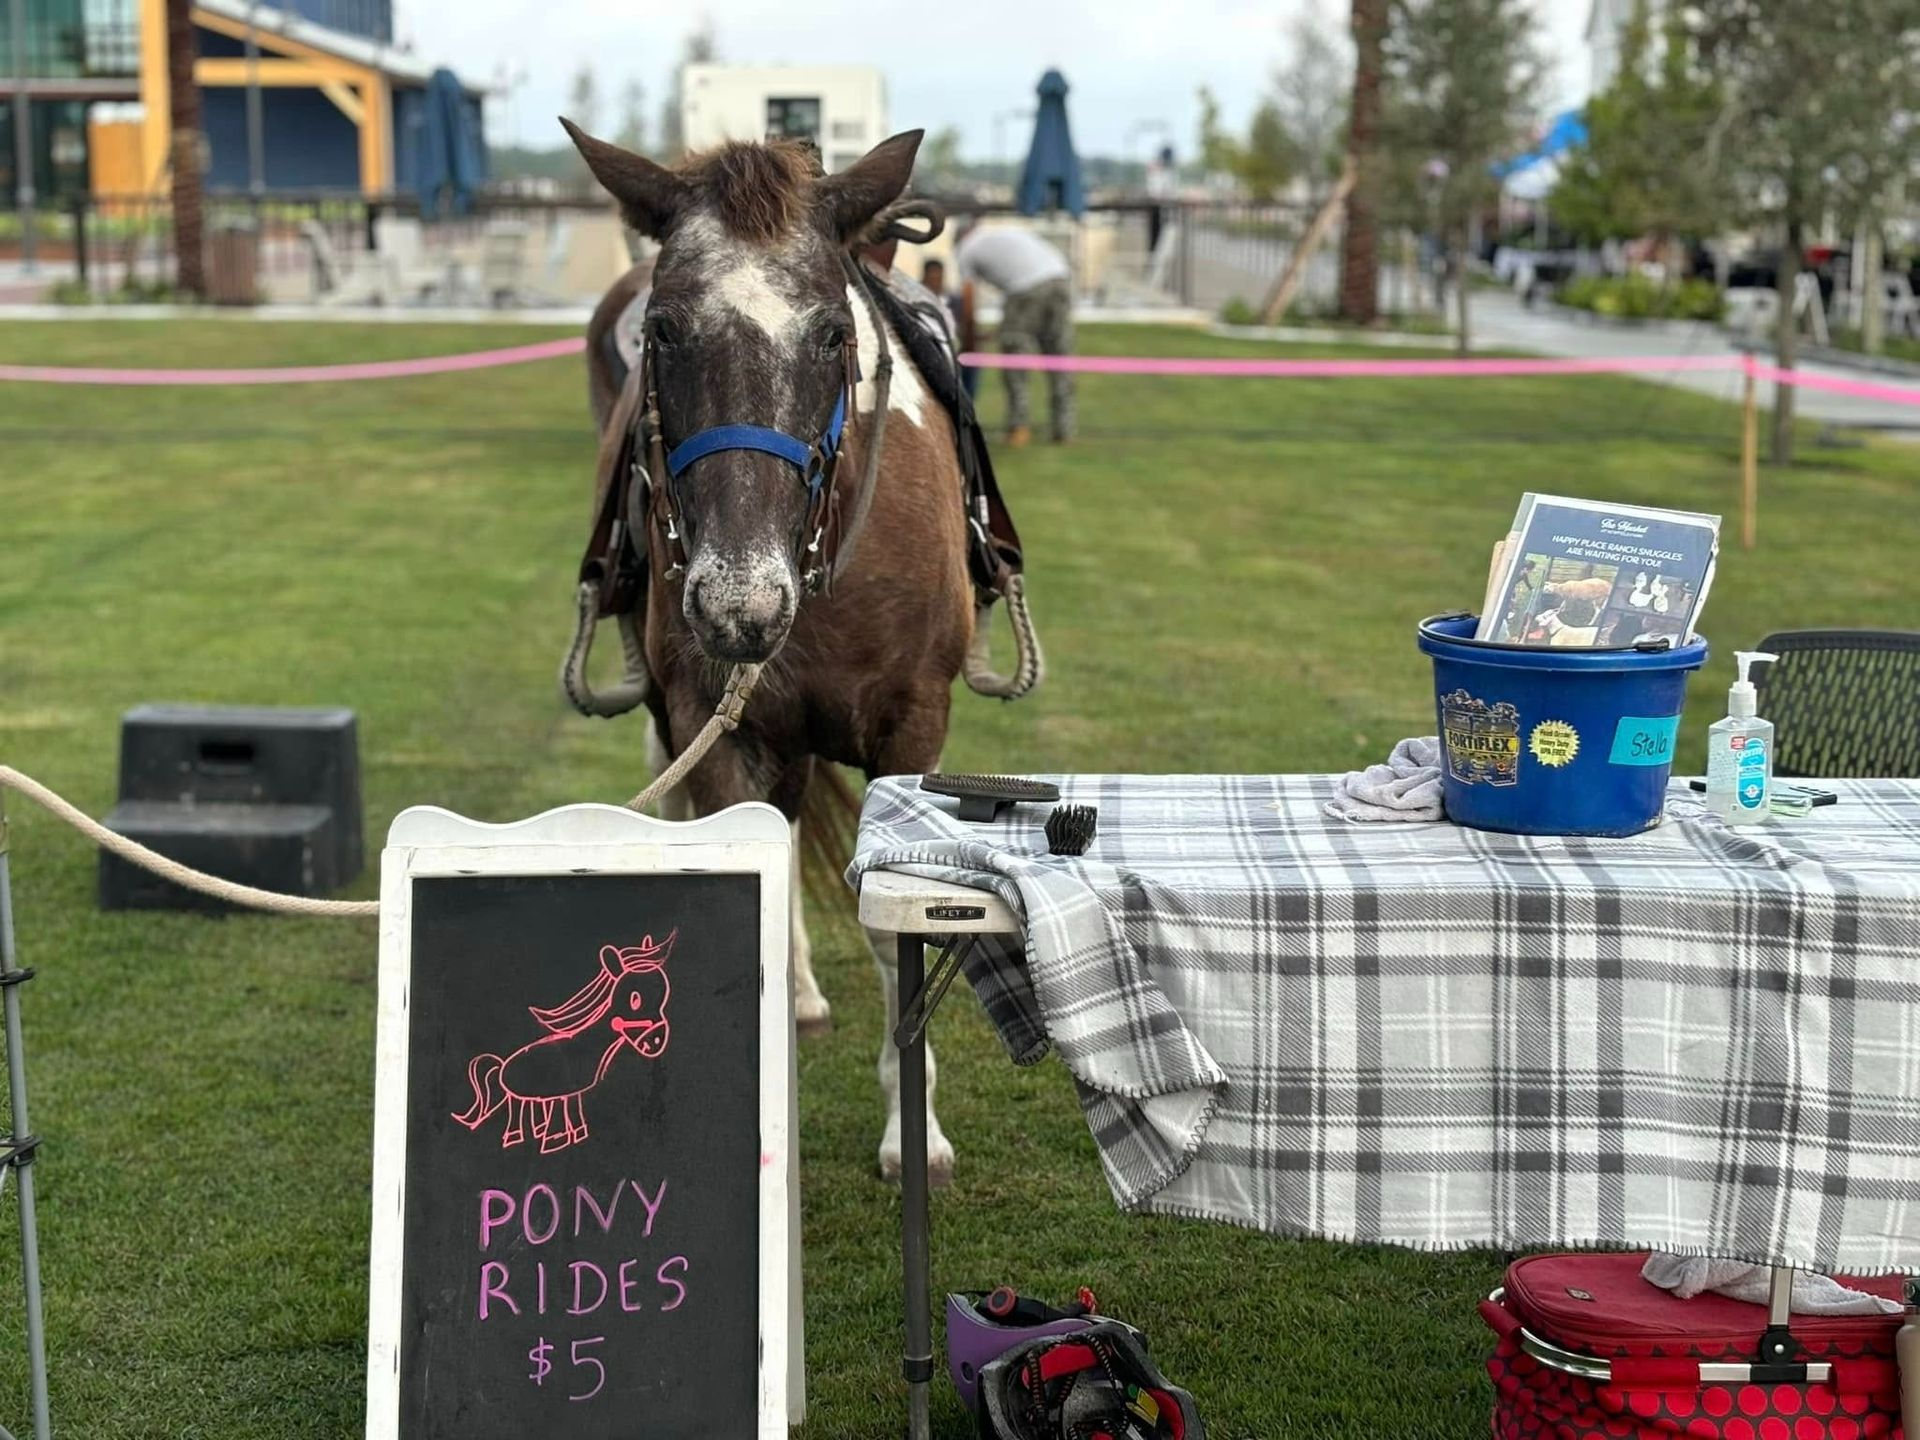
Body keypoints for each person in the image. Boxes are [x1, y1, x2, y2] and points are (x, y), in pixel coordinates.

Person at [954, 221, 1074, 446]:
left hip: (1024, 290)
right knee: (1059, 358)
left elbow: (968, 299)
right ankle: (1064, 429)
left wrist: (969, 336)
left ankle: (1019, 428)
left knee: (1015, 361)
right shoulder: (1003, 233)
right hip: (1060, 278)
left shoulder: (966, 250)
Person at [920, 257, 980, 401]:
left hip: (955, 348)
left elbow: (965, 324)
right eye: (932, 276)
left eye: (938, 276)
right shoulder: (915, 299)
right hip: (931, 349)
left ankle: (967, 404)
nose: (936, 280)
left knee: (971, 363)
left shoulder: (954, 300)